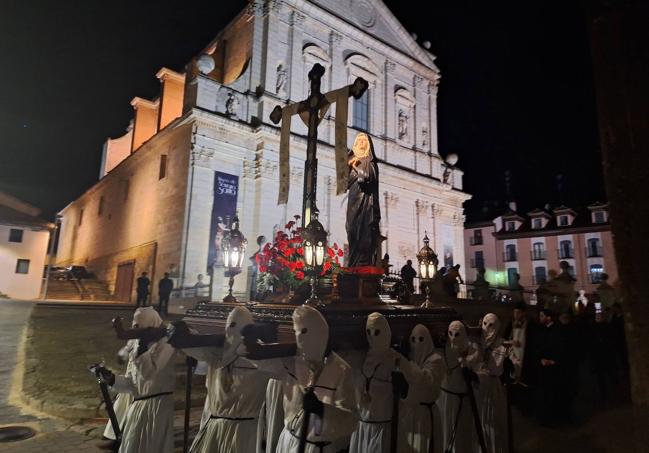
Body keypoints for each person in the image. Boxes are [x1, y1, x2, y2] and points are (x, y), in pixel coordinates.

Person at [172, 306, 274, 453]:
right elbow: (193, 346)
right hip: (216, 426)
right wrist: (182, 333)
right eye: (228, 325)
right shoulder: (216, 352)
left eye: (234, 326)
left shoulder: (260, 355)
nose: (229, 331)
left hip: (244, 432)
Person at [274, 306, 359, 453]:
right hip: (290, 442)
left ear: (320, 333)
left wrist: (322, 409)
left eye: (304, 331)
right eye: (296, 331)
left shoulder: (340, 370)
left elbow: (350, 420)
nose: (299, 337)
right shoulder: (292, 362)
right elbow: (262, 365)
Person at [98, 307, 176, 453]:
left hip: (156, 407)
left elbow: (148, 375)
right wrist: (112, 379)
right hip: (139, 404)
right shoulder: (139, 342)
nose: (138, 331)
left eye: (142, 329)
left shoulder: (166, 344)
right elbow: (133, 384)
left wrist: (141, 350)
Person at [349, 312, 399, 453]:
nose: (372, 336)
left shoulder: (392, 358)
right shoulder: (364, 357)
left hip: (381, 427)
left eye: (377, 332)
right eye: (368, 332)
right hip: (362, 426)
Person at [399, 324, 445, 453]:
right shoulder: (413, 361)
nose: (416, 343)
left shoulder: (436, 361)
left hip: (425, 415)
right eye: (412, 340)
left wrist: (405, 362)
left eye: (420, 339)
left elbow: (423, 380)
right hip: (410, 413)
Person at [437, 321, 480, 453]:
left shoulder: (472, 350)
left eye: (457, 334)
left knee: (460, 430)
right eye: (451, 333)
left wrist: (466, 365)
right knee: (445, 429)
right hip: (445, 398)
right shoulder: (442, 349)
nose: (453, 338)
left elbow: (476, 367)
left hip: (461, 398)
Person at [473, 313, 508, 453]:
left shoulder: (502, 345)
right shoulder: (476, 343)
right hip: (478, 387)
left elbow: (501, 368)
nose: (487, 328)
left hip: (493, 387)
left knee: (492, 420)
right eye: (485, 324)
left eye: (491, 325)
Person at [346, 133, 381, 267]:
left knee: (364, 231)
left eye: (364, 141)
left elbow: (367, 178)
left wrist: (356, 165)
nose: (361, 143)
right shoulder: (352, 161)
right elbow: (347, 183)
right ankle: (353, 262)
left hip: (366, 203)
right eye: (358, 141)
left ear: (368, 145)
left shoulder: (370, 162)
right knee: (351, 228)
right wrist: (348, 165)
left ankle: (362, 263)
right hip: (353, 200)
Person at [100, 340, 136, 450]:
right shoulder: (135, 339)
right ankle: (113, 437)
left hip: (142, 384)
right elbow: (123, 354)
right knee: (120, 408)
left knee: (133, 414)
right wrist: (122, 355)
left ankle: (120, 440)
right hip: (131, 381)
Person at [503, 302, 537, 415]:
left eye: (518, 312)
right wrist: (512, 342)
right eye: (514, 312)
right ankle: (513, 401)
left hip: (525, 356)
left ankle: (524, 405)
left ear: (523, 313)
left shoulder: (530, 325)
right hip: (513, 355)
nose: (516, 315)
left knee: (523, 380)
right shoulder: (511, 324)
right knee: (513, 378)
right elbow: (504, 339)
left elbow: (533, 342)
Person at [535, 309, 564, 427]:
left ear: (549, 317)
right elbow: (537, 346)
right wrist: (541, 359)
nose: (540, 318)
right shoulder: (540, 330)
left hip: (553, 367)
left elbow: (560, 347)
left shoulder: (557, 330)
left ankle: (553, 418)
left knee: (552, 392)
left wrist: (553, 360)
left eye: (542, 316)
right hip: (542, 366)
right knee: (543, 393)